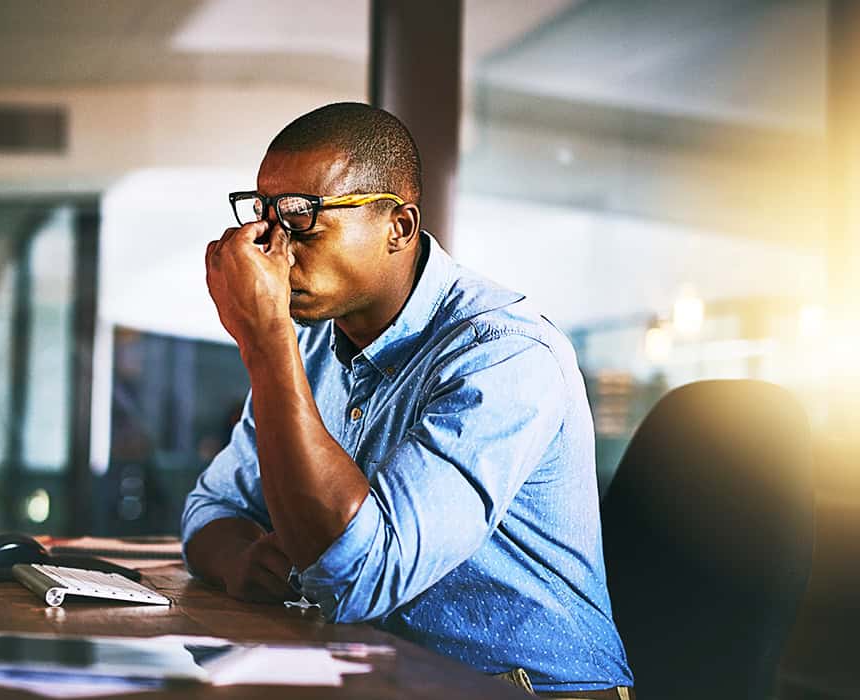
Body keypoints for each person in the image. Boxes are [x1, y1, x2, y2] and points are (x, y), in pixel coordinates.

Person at [182, 102, 633, 697]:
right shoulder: (316, 343)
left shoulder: (506, 355)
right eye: (264, 217)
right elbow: (210, 507)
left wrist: (265, 341)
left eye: (303, 219)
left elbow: (359, 574)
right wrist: (242, 561)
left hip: (527, 689)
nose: (273, 249)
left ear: (398, 227)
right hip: (384, 678)